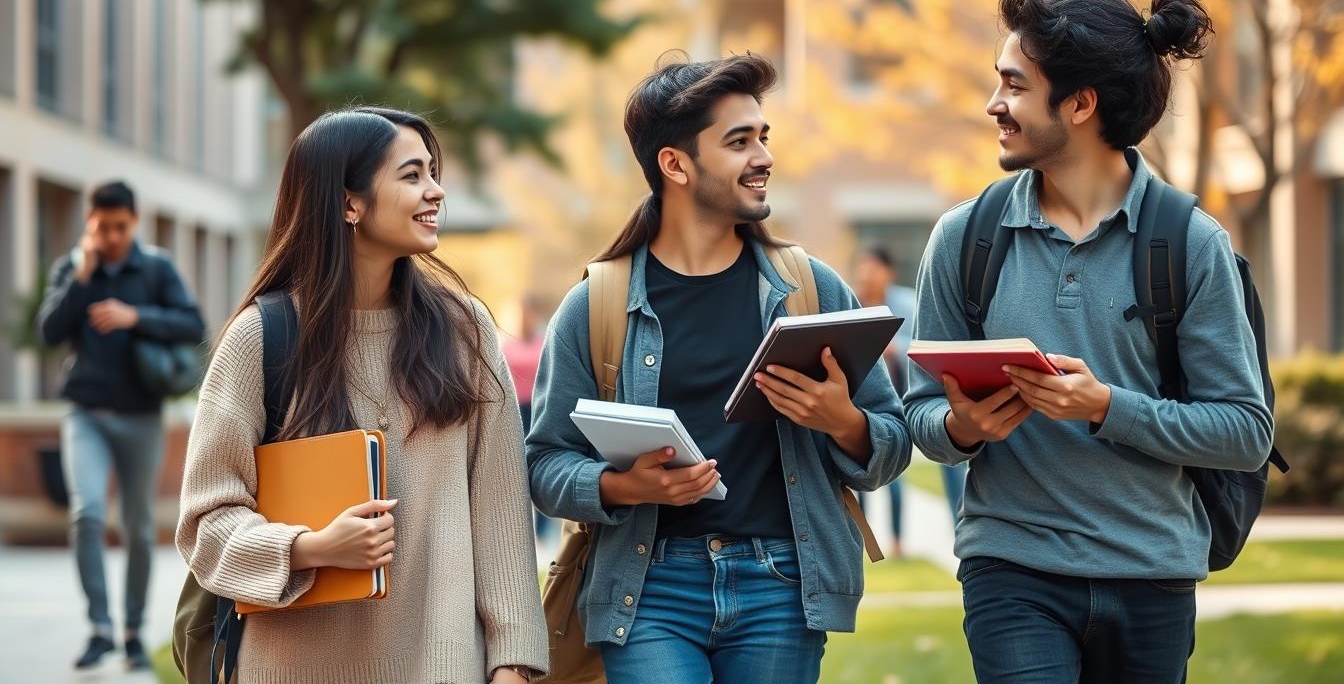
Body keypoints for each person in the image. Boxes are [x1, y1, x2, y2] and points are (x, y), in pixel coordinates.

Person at [905, 0, 1273, 683]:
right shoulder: (965, 239)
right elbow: (919, 414)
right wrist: (962, 429)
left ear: (1079, 104)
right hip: (1012, 569)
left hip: (1152, 574)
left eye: (1013, 86)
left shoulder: (1189, 242)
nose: (994, 105)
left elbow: (1244, 432)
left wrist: (1106, 407)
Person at [526, 53, 910, 683]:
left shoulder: (812, 289)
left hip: (783, 586)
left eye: (764, 137)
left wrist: (845, 422)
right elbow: (544, 464)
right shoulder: (595, 306)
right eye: (739, 141)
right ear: (674, 164)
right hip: (647, 588)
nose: (763, 157)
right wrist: (625, 487)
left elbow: (892, 446)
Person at [175, 108, 547, 683]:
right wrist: (310, 547)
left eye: (433, 171)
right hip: (291, 667)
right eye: (412, 175)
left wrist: (514, 663)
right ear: (350, 203)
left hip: (441, 665)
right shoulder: (262, 337)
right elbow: (205, 521)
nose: (436, 190)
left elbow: (500, 515)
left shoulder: (466, 330)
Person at [37, 181, 205, 670]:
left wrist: (136, 316)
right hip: (85, 414)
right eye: (101, 226)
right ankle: (100, 628)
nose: (110, 236)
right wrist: (82, 279)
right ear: (89, 222)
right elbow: (48, 331)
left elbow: (193, 323)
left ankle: (133, 632)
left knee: (135, 526)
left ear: (134, 223)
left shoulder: (155, 268)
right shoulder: (73, 268)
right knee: (87, 513)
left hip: (141, 415)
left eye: (120, 226)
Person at [852, 244, 966, 556]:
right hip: (871, 405)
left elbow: (925, 344)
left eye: (873, 268)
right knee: (872, 470)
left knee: (953, 460)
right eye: (862, 268)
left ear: (888, 272)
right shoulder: (851, 304)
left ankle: (960, 531)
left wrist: (892, 348)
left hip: (915, 397)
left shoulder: (905, 302)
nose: (866, 275)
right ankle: (870, 539)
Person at [502, 293, 554, 543]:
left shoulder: (543, 340)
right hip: (514, 409)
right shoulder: (506, 343)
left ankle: (543, 531)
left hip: (537, 407)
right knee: (517, 465)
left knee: (539, 461)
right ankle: (518, 525)